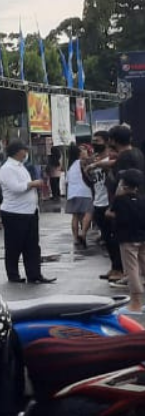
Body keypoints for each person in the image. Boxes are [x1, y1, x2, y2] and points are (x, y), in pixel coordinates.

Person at [0, 140, 55, 284]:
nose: (26, 153)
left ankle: (34, 274)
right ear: (18, 152)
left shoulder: (21, 166)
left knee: (32, 246)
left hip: (29, 211)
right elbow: (15, 188)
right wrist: (33, 184)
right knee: (14, 246)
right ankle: (13, 275)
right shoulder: (7, 168)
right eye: (24, 150)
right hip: (15, 213)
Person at [86, 130, 123, 282]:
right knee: (106, 238)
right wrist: (87, 169)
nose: (95, 143)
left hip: (109, 202)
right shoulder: (94, 158)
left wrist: (97, 164)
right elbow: (91, 182)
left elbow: (115, 174)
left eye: (98, 140)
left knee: (114, 238)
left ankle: (120, 269)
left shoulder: (112, 157)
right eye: (93, 140)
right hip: (98, 202)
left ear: (107, 142)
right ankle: (114, 267)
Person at [107, 170, 145, 313]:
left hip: (127, 239)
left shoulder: (120, 200)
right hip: (143, 238)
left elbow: (109, 213)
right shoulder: (142, 200)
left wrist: (118, 193)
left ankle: (136, 302)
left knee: (132, 270)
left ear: (124, 184)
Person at [64, 143, 94, 248]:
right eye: (83, 150)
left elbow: (67, 182)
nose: (85, 152)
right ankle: (83, 233)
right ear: (79, 153)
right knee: (88, 212)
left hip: (72, 194)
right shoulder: (82, 162)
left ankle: (76, 238)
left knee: (75, 216)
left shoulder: (70, 166)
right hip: (84, 192)